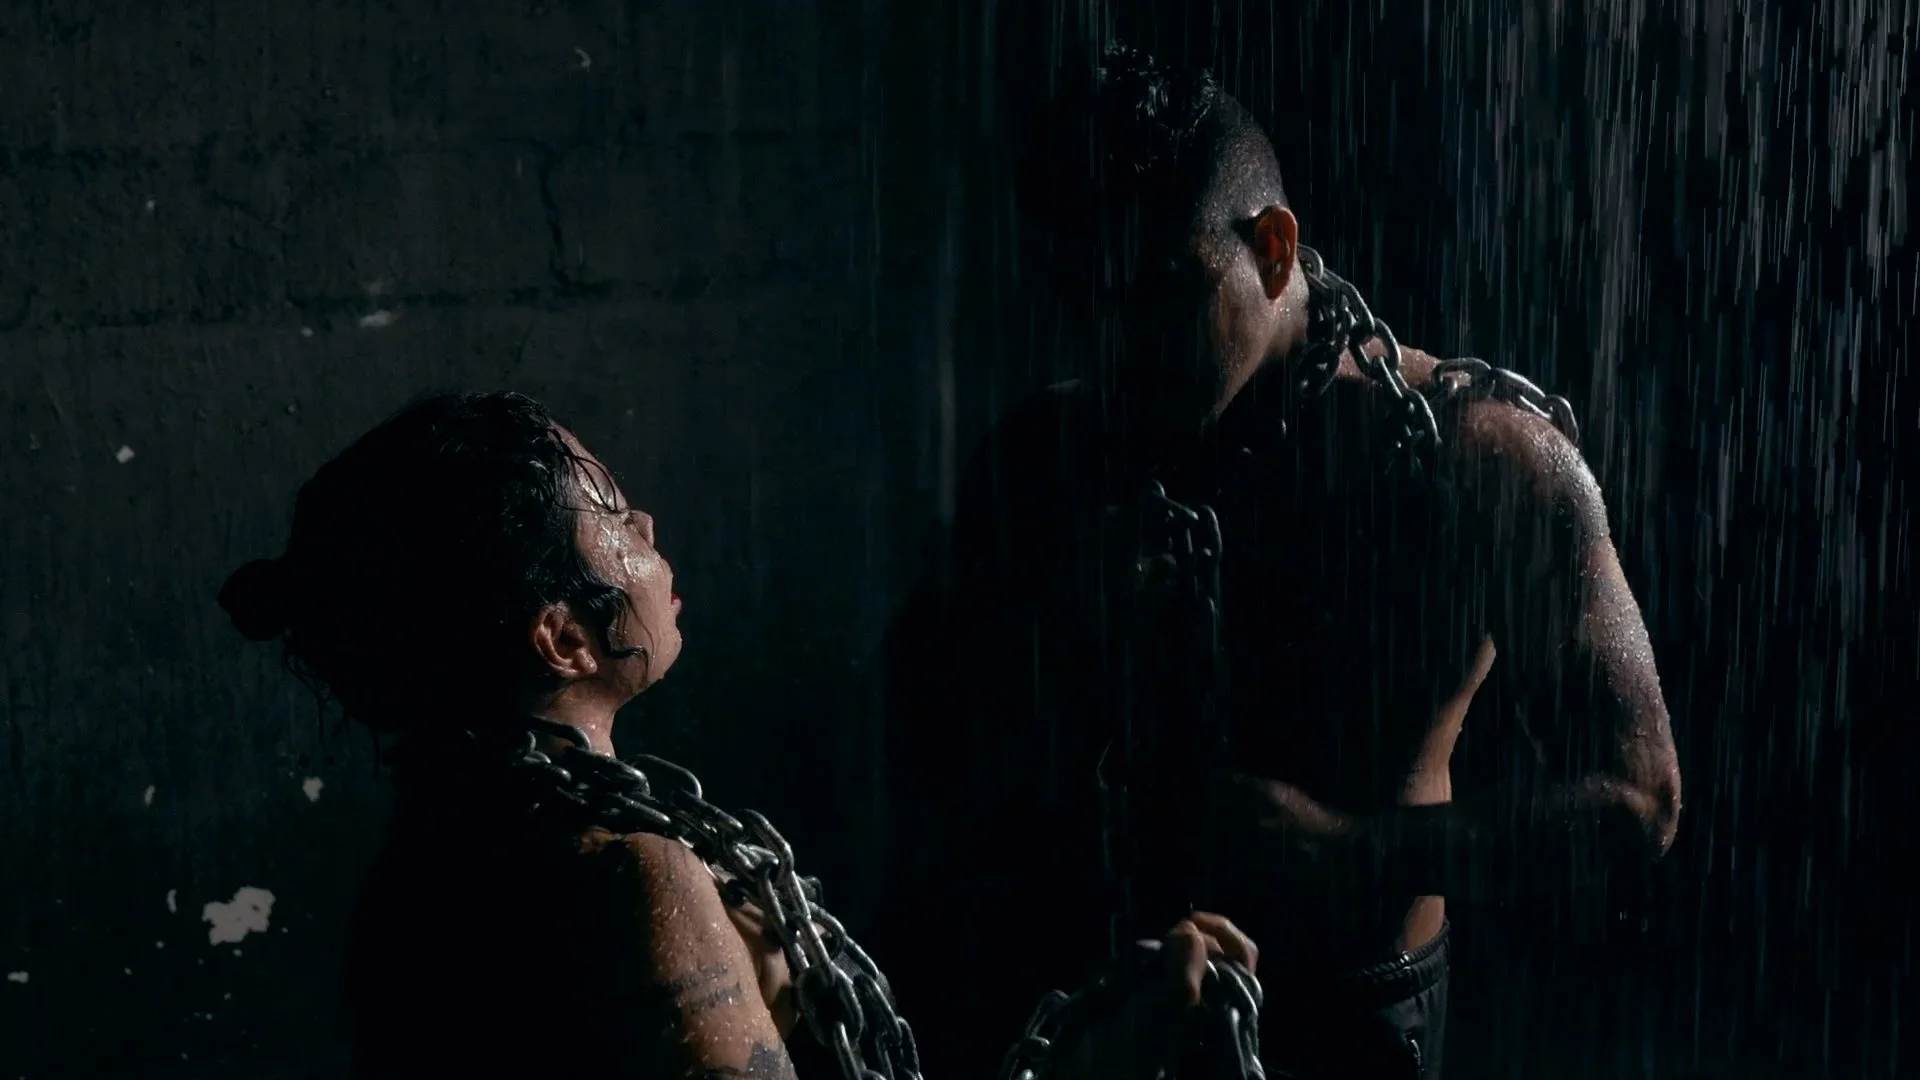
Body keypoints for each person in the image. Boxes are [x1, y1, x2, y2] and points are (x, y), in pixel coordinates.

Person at [876, 45, 1683, 1080]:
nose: (1120, 348)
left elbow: (1634, 803)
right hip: (1104, 999)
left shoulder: (1478, 462)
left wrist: (1347, 849)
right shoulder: (1051, 456)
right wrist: (1059, 641)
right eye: (1086, 302)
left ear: (1272, 247)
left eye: (1159, 295)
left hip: (1358, 1014)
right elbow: (918, 729)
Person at [218, 390, 1261, 1080]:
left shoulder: (422, 866)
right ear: (565, 639)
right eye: (613, 516)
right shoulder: (631, 878)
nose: (648, 529)